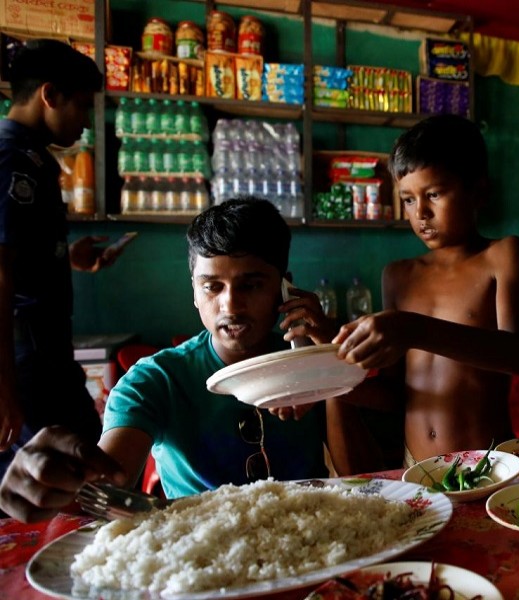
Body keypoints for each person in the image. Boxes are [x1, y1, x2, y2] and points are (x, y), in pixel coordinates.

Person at [0, 198, 335, 522]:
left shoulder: (311, 362)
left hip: (317, 537)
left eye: (252, 285)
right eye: (212, 287)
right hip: (207, 556)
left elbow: (362, 471)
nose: (230, 306)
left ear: (284, 286)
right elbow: (109, 482)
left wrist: (333, 365)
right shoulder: (155, 380)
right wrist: (55, 480)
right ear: (193, 290)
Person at [331, 114, 519, 465]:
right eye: (408, 200)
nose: (420, 212)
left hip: (489, 465)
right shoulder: (398, 276)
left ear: (478, 191)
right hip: (417, 467)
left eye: (434, 194)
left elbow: (515, 356)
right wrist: (331, 384)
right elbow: (397, 393)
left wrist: (410, 327)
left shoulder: (501, 256)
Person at [0, 39, 131, 479]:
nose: (85, 121)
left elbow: (19, 255)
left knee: (85, 468)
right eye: (80, 106)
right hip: (25, 361)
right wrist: (4, 387)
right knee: (60, 479)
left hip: (46, 356)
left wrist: (67, 257)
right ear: (49, 95)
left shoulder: (35, 159)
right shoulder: (12, 160)